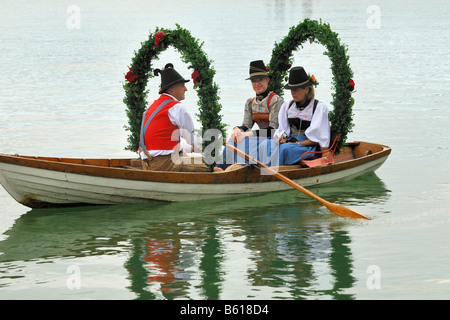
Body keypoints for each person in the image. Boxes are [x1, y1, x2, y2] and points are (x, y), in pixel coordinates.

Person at [139, 63, 208, 172]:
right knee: (212, 168)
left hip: (147, 164)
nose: (186, 89)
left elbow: (170, 143)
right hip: (165, 164)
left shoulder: (152, 107)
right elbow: (191, 138)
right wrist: (211, 144)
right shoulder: (177, 107)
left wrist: (192, 147)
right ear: (171, 89)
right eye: (182, 85)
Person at [217, 60, 283, 170]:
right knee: (233, 139)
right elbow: (246, 126)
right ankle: (222, 167)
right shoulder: (250, 102)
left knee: (246, 140)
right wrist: (237, 130)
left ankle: (243, 168)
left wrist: (248, 134)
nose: (257, 84)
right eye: (253, 81)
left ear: (267, 80)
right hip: (259, 136)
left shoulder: (275, 100)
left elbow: (272, 130)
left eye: (260, 80)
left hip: (272, 138)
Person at [269, 66, 330, 166]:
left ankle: (274, 172)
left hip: (307, 147)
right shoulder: (287, 106)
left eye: (296, 89)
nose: (293, 93)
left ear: (306, 89)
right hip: (290, 142)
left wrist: (296, 144)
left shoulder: (318, 108)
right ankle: (260, 170)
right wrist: (283, 138)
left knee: (284, 149)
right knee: (267, 145)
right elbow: (284, 130)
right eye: (291, 89)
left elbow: (316, 139)